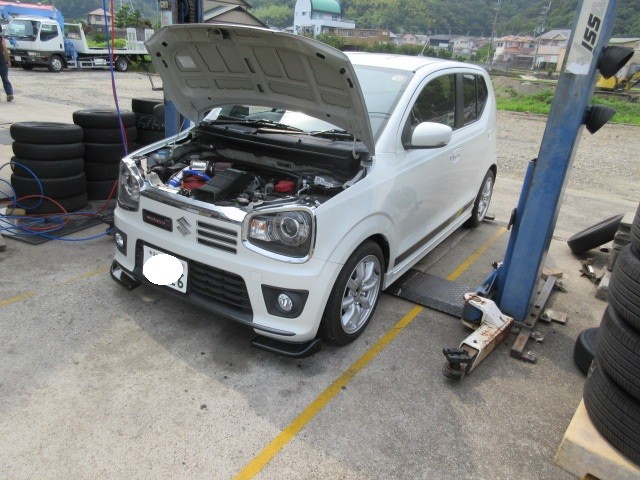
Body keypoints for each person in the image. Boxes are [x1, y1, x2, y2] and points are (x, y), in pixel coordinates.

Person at [0, 25, 14, 102]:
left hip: (2, 61)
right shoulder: (1, 38)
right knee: (5, 78)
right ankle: (9, 94)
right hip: (2, 61)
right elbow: (5, 49)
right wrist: (8, 61)